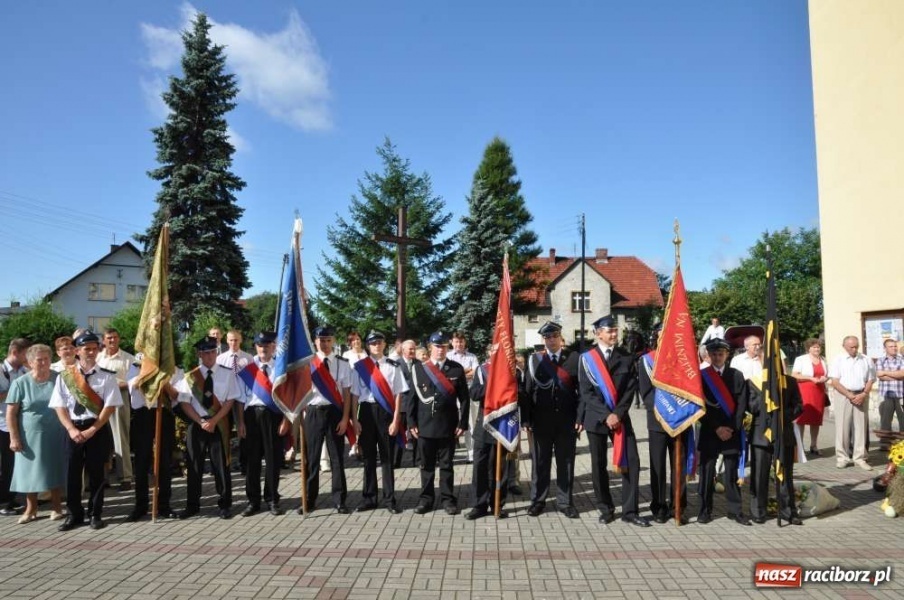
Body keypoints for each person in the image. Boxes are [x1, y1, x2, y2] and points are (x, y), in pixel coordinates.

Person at [578, 315, 650, 527]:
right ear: (598, 334)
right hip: (597, 419)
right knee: (598, 465)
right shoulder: (587, 359)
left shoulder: (626, 357)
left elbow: (630, 389)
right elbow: (586, 392)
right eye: (609, 331)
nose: (614, 334)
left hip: (620, 418)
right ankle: (605, 508)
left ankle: (630, 511)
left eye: (615, 330)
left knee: (632, 462)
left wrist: (617, 414)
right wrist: (605, 415)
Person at [50, 331, 121, 531]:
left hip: (96, 428)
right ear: (77, 351)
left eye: (94, 349)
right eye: (86, 349)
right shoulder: (65, 376)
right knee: (71, 473)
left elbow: (110, 407)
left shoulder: (107, 376)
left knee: (97, 473)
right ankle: (74, 515)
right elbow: (59, 406)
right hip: (72, 429)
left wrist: (93, 429)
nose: (91, 352)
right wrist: (71, 429)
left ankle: (95, 514)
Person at [176, 336, 240, 519]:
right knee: (194, 465)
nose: (210, 356)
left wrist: (214, 420)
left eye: (212, 352)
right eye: (206, 353)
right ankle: (192, 505)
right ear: (199, 354)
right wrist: (200, 421)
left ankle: (225, 504)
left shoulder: (227, 373)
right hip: (197, 424)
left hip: (219, 424)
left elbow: (230, 400)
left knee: (221, 465)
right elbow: (184, 403)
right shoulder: (190, 377)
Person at [523, 321, 580, 519]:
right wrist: (526, 420)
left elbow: (581, 391)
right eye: (547, 337)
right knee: (540, 463)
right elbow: (527, 391)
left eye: (555, 336)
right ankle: (538, 501)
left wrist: (579, 418)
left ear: (560, 337)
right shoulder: (534, 360)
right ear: (543, 339)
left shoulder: (573, 358)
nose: (551, 340)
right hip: (541, 421)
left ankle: (565, 502)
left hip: (566, 421)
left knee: (566, 463)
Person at [408, 331, 469, 515]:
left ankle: (448, 499)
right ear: (430, 347)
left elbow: (464, 399)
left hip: (448, 426)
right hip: (425, 425)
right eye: (437, 346)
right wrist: (411, 423)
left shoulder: (456, 369)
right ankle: (426, 499)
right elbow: (412, 398)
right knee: (426, 466)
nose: (440, 350)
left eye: (443, 346)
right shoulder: (419, 369)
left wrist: (463, 423)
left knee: (446, 466)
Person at [5, 344, 66, 523]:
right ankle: (31, 509)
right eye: (39, 360)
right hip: (28, 435)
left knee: (55, 468)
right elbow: (11, 413)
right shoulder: (20, 383)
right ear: (30, 362)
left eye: (47, 359)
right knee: (29, 472)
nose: (44, 363)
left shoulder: (59, 379)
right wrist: (14, 437)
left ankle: (57, 507)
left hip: (56, 433)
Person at [638, 324, 688, 524]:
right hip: (657, 421)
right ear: (656, 338)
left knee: (679, 466)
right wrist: (665, 411)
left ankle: (678, 506)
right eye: (661, 336)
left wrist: (678, 411)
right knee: (657, 466)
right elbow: (646, 393)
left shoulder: (684, 360)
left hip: (681, 420)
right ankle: (659, 507)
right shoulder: (647, 360)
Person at [697, 338, 751, 526]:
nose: (717, 357)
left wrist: (732, 428)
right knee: (706, 473)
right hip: (710, 430)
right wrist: (717, 427)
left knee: (731, 473)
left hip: (731, 431)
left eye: (721, 354)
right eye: (714, 354)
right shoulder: (702, 376)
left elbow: (741, 404)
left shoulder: (736, 375)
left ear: (727, 355)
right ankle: (704, 510)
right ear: (708, 355)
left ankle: (735, 511)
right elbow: (700, 406)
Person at [125, 355, 184, 521]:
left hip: (164, 413)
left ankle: (164, 505)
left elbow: (176, 395)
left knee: (164, 460)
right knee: (142, 461)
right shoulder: (137, 365)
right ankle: (140, 506)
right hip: (143, 414)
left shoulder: (172, 368)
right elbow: (133, 385)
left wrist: (163, 381)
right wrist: (149, 372)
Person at [304, 326, 356, 513]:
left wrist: (345, 418)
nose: (324, 344)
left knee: (336, 459)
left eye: (328, 340)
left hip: (335, 413)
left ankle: (339, 500)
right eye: (321, 340)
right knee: (312, 459)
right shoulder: (308, 363)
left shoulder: (342, 363)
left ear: (333, 341)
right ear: (315, 341)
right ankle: (309, 499)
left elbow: (347, 393)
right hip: (313, 412)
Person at [238, 331, 289, 516]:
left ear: (273, 346)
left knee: (273, 460)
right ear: (255, 347)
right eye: (260, 345)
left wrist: (286, 420)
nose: (263, 348)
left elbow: (287, 397)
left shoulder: (281, 368)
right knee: (252, 461)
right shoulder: (248, 368)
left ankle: (272, 499)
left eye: (267, 345)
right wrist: (240, 422)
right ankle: (253, 501)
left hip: (273, 416)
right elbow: (240, 399)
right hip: (251, 416)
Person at [465, 344, 513, 520]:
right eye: (493, 351)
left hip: (504, 425)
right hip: (484, 426)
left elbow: (520, 394)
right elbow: (474, 393)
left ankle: (497, 504)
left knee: (501, 468)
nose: (496, 354)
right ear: (488, 353)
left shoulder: (511, 371)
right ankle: (479, 505)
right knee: (480, 466)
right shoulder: (482, 370)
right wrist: (492, 385)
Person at [97, 327, 135, 491]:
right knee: (101, 439)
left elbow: (135, 381)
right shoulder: (98, 358)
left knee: (120, 437)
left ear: (119, 339)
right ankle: (103, 478)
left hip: (120, 398)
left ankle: (125, 477)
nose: (112, 340)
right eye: (109, 338)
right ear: (103, 341)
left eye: (114, 337)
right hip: (99, 401)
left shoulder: (128, 358)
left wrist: (117, 385)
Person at [829, 336, 876, 470]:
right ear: (844, 346)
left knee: (861, 428)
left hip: (861, 394)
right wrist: (849, 395)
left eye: (856, 346)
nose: (854, 349)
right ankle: (842, 458)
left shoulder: (866, 359)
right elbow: (835, 381)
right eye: (851, 347)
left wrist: (864, 394)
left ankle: (860, 458)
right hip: (843, 395)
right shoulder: (838, 359)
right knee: (842, 427)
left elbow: (871, 379)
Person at [216, 329, 254, 474]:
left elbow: (252, 380)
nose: (233, 343)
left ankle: (244, 463)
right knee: (224, 431)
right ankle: (224, 464)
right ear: (227, 341)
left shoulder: (248, 358)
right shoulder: (221, 359)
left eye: (236, 340)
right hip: (226, 399)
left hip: (241, 399)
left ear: (241, 340)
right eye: (231, 340)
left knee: (243, 431)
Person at [0, 338, 30, 516]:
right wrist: (14, 390)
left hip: (19, 425)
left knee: (13, 465)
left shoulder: (24, 370)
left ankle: (10, 498)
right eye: (26, 353)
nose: (28, 357)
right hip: (2, 425)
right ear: (15, 352)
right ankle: (4, 503)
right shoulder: (1, 371)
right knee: (4, 465)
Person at [790, 339, 829, 456]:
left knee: (816, 420)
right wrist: (810, 378)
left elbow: (827, 374)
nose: (817, 349)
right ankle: (800, 446)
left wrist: (825, 378)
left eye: (818, 347)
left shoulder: (823, 360)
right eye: (814, 347)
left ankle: (814, 445)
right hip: (804, 391)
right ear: (808, 349)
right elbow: (794, 375)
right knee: (801, 419)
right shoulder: (801, 359)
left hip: (819, 392)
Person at [448, 332, 479, 463]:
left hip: (468, 394)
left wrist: (458, 375)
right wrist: (466, 371)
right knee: (450, 424)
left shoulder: (472, 356)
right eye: (456, 341)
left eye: (461, 341)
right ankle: (449, 454)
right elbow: (446, 375)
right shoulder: (448, 356)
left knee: (470, 423)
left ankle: (471, 453)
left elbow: (475, 372)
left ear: (465, 342)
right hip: (451, 395)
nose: (459, 344)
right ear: (452, 342)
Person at [876, 338, 904, 450]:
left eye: (895, 346)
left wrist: (885, 372)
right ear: (885, 348)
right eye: (891, 346)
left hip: (901, 394)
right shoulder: (880, 361)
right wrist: (897, 376)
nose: (894, 348)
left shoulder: (902, 360)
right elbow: (880, 376)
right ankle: (885, 445)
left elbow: (902, 374)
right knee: (885, 421)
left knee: (903, 420)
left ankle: (902, 444)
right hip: (886, 395)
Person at [394, 339, 418, 469]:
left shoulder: (419, 364)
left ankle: (418, 460)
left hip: (416, 404)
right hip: (402, 404)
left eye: (414, 349)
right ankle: (395, 461)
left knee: (416, 433)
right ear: (403, 350)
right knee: (399, 432)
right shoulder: (396, 364)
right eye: (410, 349)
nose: (413, 351)